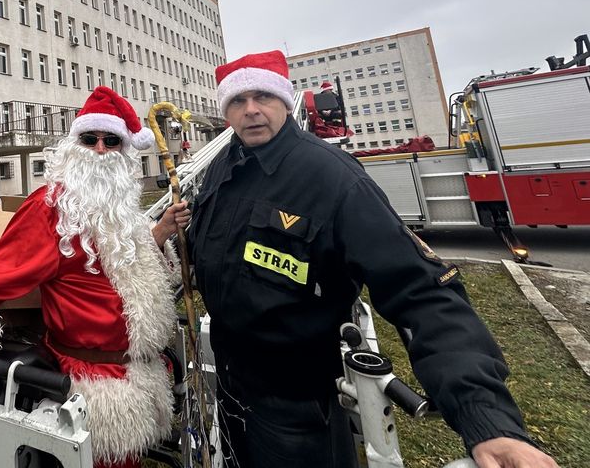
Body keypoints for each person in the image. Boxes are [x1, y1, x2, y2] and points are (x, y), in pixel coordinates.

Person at [187, 50, 558, 468]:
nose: (251, 110)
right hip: (230, 390)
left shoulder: (332, 177)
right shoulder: (224, 167)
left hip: (295, 407)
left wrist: (488, 419)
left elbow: (421, 292)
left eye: (263, 97)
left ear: (285, 102)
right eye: (238, 101)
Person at [0, 86, 191, 468]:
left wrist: (158, 235)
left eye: (112, 140)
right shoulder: (51, 209)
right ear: (74, 145)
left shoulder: (121, 207)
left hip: (136, 380)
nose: (101, 150)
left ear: (125, 150)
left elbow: (125, 276)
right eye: (90, 139)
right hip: (92, 393)